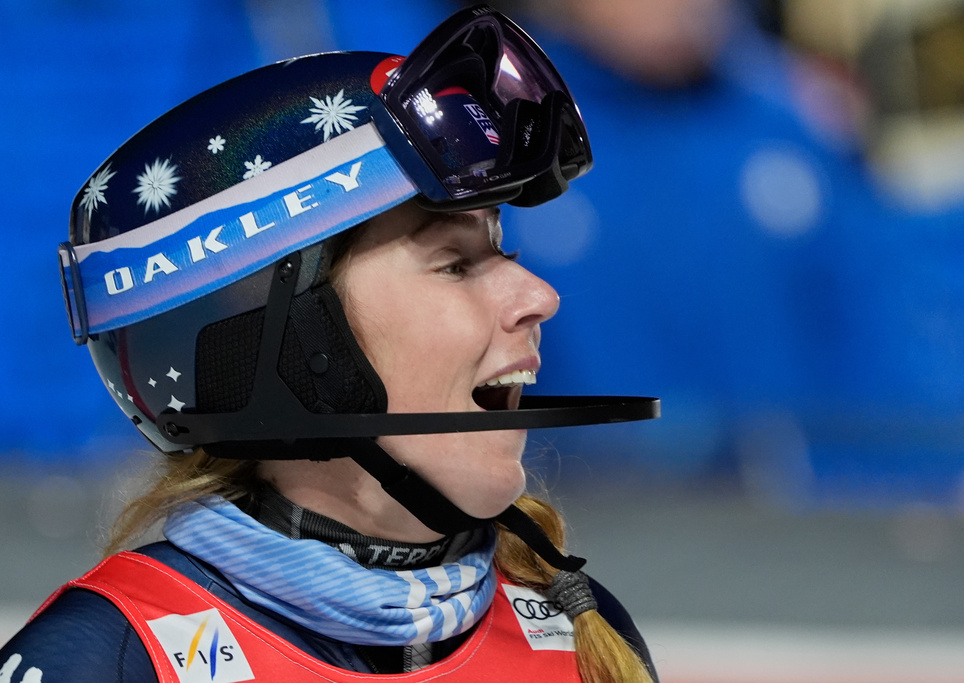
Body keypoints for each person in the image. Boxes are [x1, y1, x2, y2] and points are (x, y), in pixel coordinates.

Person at [1, 6, 660, 682]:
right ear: (291, 339)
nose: (538, 297)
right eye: (455, 264)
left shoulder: (582, 633)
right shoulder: (106, 661)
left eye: (500, 250)